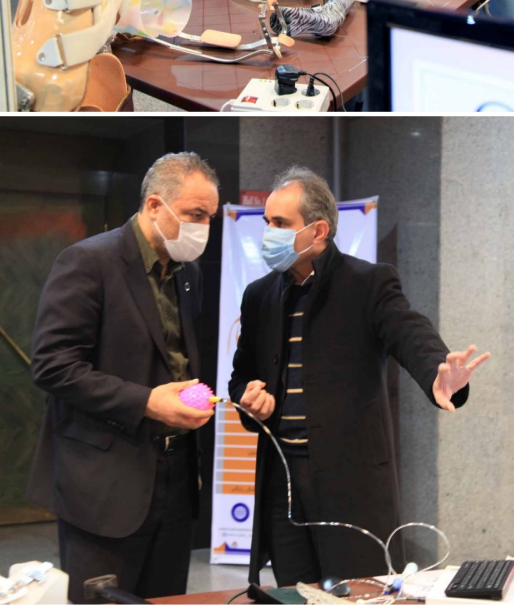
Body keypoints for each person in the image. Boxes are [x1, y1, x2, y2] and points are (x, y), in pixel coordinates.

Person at [230, 167, 489, 591]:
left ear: (318, 231)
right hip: (282, 481)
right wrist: (248, 396)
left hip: (351, 484)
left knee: (359, 594)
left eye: (280, 223)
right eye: (267, 222)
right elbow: (242, 376)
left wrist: (438, 375)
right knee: (294, 594)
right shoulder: (259, 295)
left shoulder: (367, 282)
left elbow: (409, 332)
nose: (268, 233)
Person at [28, 153, 219, 603]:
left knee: (165, 599)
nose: (204, 227)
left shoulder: (188, 273)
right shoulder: (88, 261)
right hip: (105, 481)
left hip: (176, 475)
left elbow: (176, 360)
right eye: (195, 214)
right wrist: (147, 402)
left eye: (209, 217)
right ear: (154, 205)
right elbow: (53, 364)